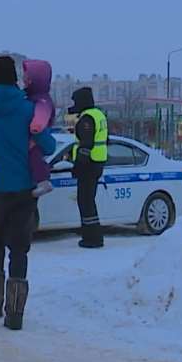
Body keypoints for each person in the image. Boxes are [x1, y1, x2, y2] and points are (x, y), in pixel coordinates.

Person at [0, 56, 56, 331]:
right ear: (15, 78)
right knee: (19, 248)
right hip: (24, 188)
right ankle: (15, 314)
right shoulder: (29, 108)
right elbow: (49, 146)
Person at [67, 86, 108, 249]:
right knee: (88, 200)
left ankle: (92, 238)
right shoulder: (98, 115)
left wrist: (77, 166)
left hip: (89, 165)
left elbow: (85, 145)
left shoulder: (87, 119)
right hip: (97, 162)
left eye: (75, 101)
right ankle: (92, 234)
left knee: (85, 201)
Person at [23, 59, 56, 197]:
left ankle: (44, 182)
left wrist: (36, 127)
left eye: (27, 77)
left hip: (36, 133)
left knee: (35, 156)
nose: (24, 79)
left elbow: (42, 114)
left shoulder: (41, 99)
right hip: (34, 135)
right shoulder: (33, 96)